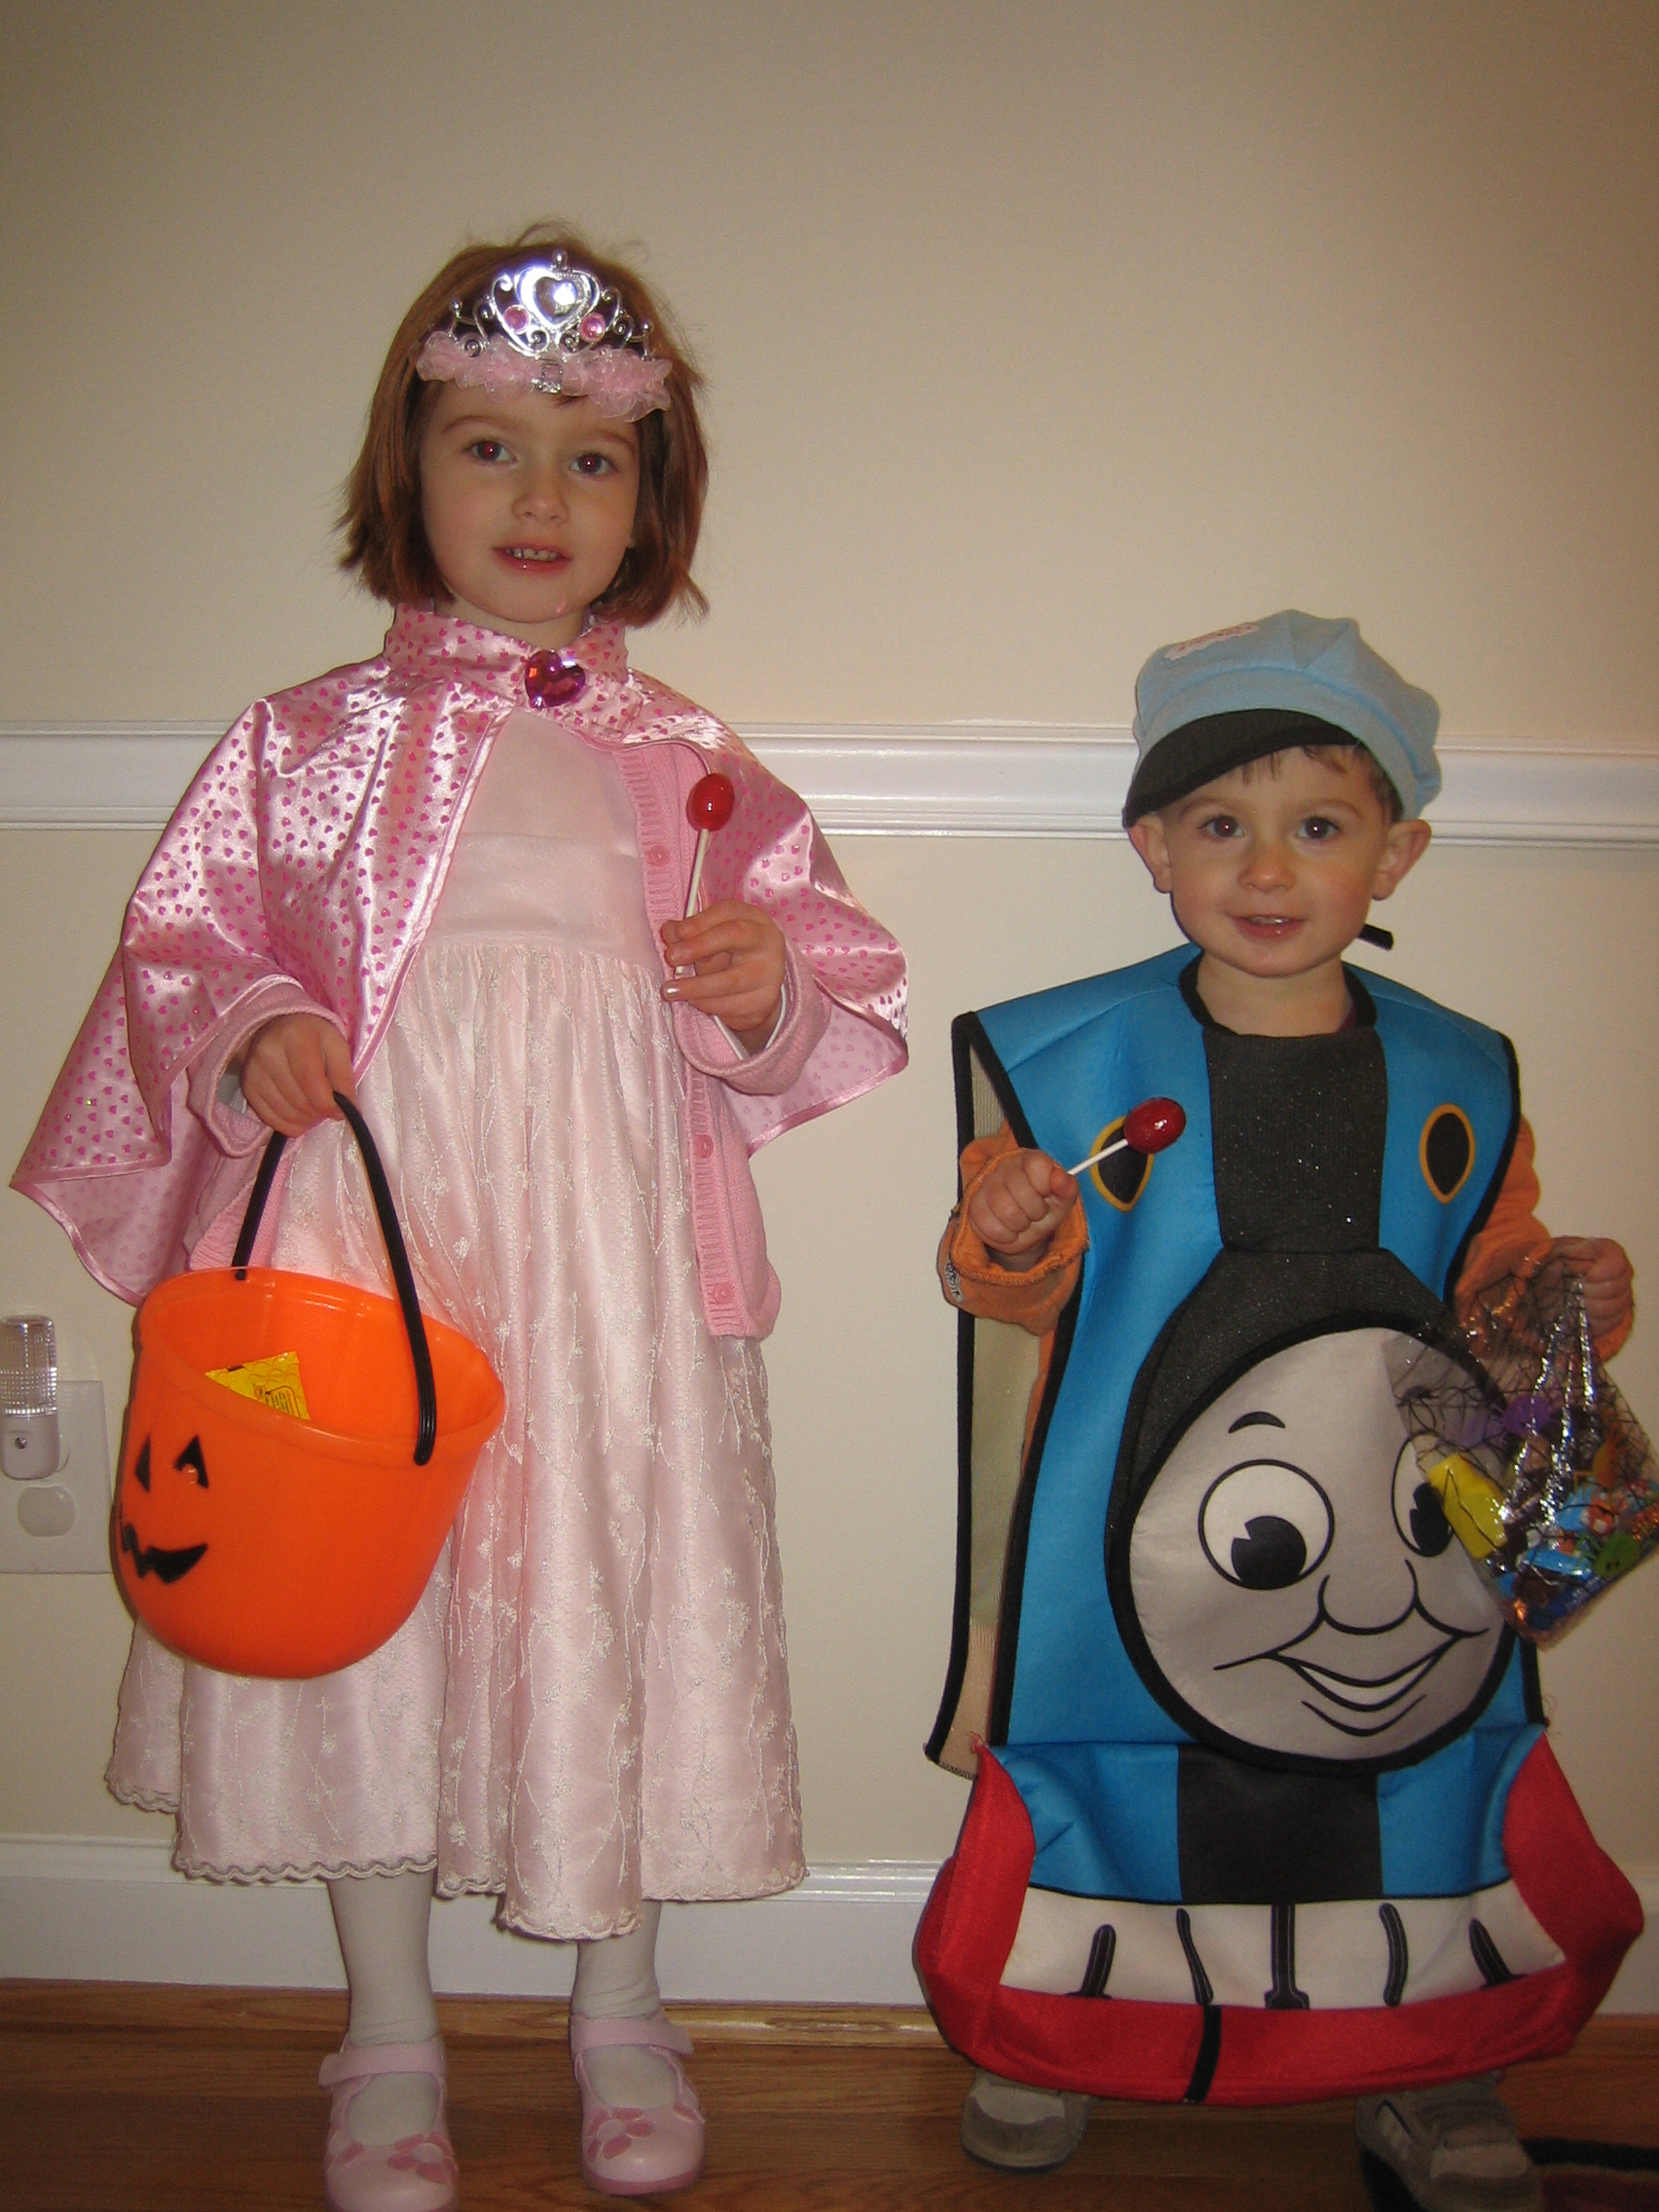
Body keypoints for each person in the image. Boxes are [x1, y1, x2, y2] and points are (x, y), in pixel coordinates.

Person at [15, 232, 907, 2209]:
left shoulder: (691, 764)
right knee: (364, 1598)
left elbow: (825, 992)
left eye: (593, 457)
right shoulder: (305, 743)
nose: (538, 495)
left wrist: (762, 988)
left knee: (609, 1574)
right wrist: (256, 1023)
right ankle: (390, 2025)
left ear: (650, 501)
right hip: (367, 1228)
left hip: (609, 1266)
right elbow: (187, 948)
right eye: (489, 445)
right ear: (405, 471)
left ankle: (623, 2002)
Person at [915, 612, 1641, 2212]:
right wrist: (1014, 1234)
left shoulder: (1461, 1073)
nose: (1265, 868)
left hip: (1404, 1525)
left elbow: (1494, 1285)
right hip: (1131, 1533)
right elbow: (1000, 1290)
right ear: (1152, 848)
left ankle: (1431, 2060)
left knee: (1416, 1754)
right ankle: (1060, 2030)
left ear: (1397, 854)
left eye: (1319, 826)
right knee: (1116, 1760)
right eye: (1219, 825)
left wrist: (1568, 1300)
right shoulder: (1068, 1062)